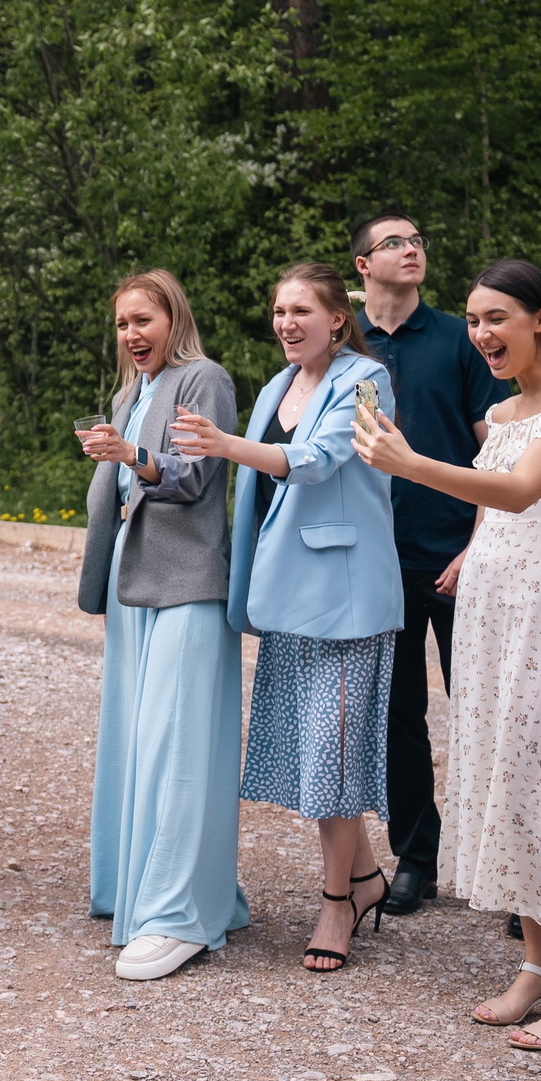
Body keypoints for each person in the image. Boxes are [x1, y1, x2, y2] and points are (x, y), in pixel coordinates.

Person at [354, 259, 541, 1052]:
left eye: (497, 317)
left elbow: (520, 491)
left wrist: (410, 464)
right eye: (474, 320)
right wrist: (470, 559)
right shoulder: (505, 410)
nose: (481, 333)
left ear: (540, 317)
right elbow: (492, 514)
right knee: (507, 780)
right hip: (488, 615)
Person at [171, 261, 400, 974]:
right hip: (284, 593)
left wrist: (224, 443)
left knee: (332, 755)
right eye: (278, 311)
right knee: (315, 750)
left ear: (338, 318)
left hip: (345, 597)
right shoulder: (277, 384)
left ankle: (337, 902)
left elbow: (320, 459)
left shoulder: (367, 379)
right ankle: (366, 879)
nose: (286, 323)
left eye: (301, 310)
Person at [75, 271, 247, 983]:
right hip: (132, 574)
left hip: (187, 579)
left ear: (174, 317)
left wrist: (132, 457)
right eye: (122, 323)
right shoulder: (130, 392)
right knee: (133, 736)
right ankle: (135, 887)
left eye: (143, 319)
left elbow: (195, 477)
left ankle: (177, 914)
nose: (131, 334)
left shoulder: (204, 378)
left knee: (178, 744)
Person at [351, 213, 507, 915]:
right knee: (398, 720)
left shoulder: (459, 338)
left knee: (488, 714)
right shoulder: (347, 347)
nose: (411, 249)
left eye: (417, 240)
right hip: (377, 563)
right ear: (363, 265)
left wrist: (477, 545)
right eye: (394, 242)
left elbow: (499, 453)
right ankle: (417, 859)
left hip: (460, 557)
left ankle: (513, 876)